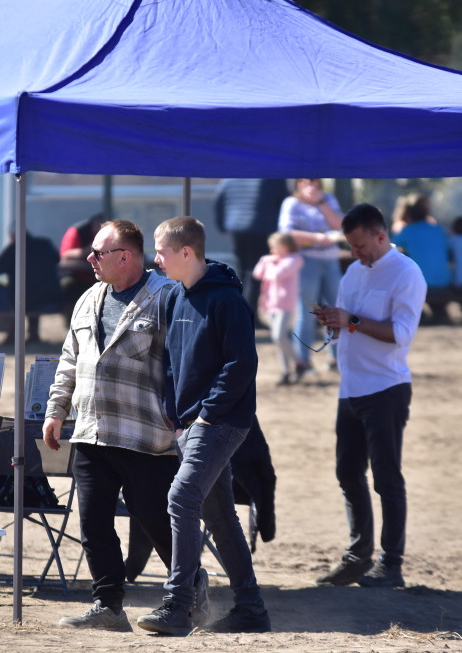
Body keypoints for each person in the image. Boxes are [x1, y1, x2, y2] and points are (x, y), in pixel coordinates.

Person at [43, 219, 193, 632]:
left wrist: (181, 416)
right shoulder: (88, 298)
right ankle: (108, 605)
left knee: (156, 521)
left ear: (124, 256)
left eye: (98, 253)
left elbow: (186, 362)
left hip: (146, 436)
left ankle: (190, 590)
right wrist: (56, 410)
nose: (89, 258)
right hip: (92, 430)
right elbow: (69, 359)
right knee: (93, 522)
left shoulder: (167, 297)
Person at [138, 216, 270, 636]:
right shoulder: (176, 296)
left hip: (223, 421)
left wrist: (208, 413)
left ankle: (178, 605)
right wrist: (176, 415)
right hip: (190, 424)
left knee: (180, 497)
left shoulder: (227, 301)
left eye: (161, 251)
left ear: (187, 252)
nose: (155, 259)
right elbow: (172, 364)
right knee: (219, 515)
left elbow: (242, 364)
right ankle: (251, 608)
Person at [312, 203, 426, 589]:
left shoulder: (406, 273)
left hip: (386, 389)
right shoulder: (352, 272)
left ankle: (390, 563)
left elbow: (401, 334)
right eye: (351, 246)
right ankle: (358, 557)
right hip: (352, 389)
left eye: (360, 245)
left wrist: (352, 321)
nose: (355, 252)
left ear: (381, 235)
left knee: (386, 477)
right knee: (348, 472)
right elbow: (347, 324)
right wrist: (334, 321)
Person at [278, 178, 344, 375]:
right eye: (307, 181)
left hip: (331, 260)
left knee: (335, 309)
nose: (312, 185)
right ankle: (302, 361)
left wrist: (321, 203)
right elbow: (286, 232)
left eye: (315, 181)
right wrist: (316, 238)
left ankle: (337, 358)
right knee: (308, 311)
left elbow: (341, 225)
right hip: (306, 262)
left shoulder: (328, 199)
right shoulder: (292, 203)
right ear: (298, 183)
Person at [214, 178, 289, 317]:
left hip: (236, 227)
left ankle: (241, 310)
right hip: (263, 228)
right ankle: (248, 313)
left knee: (242, 270)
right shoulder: (273, 177)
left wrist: (222, 225)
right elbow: (284, 202)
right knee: (256, 273)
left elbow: (219, 200)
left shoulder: (229, 177)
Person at [0, 227, 63, 343]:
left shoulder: (15, 248)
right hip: (52, 296)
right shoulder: (45, 244)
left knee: (9, 293)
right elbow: (57, 260)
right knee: (31, 290)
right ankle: (32, 334)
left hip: (25, 300)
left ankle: (12, 334)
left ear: (14, 237)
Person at [252, 232, 303, 385]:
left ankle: (299, 362)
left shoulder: (294, 259)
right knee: (280, 340)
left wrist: (270, 263)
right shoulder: (272, 260)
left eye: (276, 247)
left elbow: (276, 275)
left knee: (278, 337)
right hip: (271, 304)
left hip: (285, 304)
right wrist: (264, 260)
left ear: (286, 246)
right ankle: (286, 371)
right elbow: (257, 274)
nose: (273, 250)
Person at [391, 194, 451, 324]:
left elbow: (389, 249)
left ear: (406, 214)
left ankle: (419, 313)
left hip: (420, 286)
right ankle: (438, 310)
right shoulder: (440, 230)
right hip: (444, 284)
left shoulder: (407, 231)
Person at [58, 213, 103, 312]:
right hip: (78, 277)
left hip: (101, 278)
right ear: (95, 223)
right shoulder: (77, 231)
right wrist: (88, 250)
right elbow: (65, 256)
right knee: (68, 286)